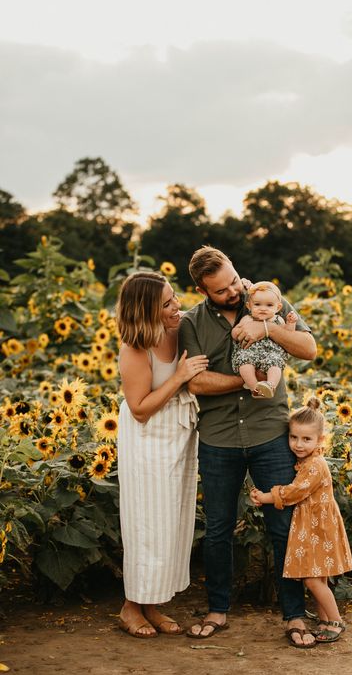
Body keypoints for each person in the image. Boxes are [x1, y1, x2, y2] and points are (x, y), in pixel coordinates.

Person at [178, 246, 318, 647]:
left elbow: (309, 349)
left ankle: (293, 615)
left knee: (281, 526)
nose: (233, 292)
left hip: (269, 432)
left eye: (233, 280)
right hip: (219, 437)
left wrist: (270, 329)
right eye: (220, 291)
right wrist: (247, 380)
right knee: (219, 529)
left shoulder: (267, 299)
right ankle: (218, 609)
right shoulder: (191, 322)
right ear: (202, 290)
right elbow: (196, 383)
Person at [116, 271, 209, 638]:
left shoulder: (180, 327)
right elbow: (139, 408)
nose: (177, 306)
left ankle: (151, 603)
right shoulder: (135, 347)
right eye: (167, 303)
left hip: (178, 436)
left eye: (175, 297)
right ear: (146, 311)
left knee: (171, 521)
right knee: (146, 523)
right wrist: (180, 375)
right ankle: (129, 606)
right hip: (147, 439)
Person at [250, 396, 352, 645]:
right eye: (293, 437)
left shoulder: (315, 465)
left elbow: (295, 492)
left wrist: (266, 496)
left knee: (311, 578)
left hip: (318, 528)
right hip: (315, 526)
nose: (298, 444)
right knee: (319, 578)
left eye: (306, 439)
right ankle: (325, 619)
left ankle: (336, 621)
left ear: (320, 440)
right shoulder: (307, 461)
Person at [231, 280, 298, 398]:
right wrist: (238, 332)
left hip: (272, 353)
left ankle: (270, 386)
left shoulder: (278, 320)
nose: (263, 308)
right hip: (249, 351)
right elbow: (235, 332)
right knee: (244, 363)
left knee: (275, 364)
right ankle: (254, 387)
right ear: (249, 306)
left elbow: (288, 335)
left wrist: (291, 323)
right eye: (257, 304)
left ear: (278, 307)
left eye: (269, 305)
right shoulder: (247, 319)